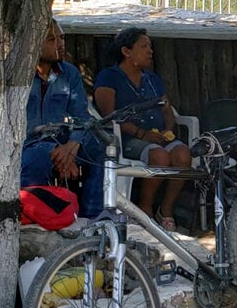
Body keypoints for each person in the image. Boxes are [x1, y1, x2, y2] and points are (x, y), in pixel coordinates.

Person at [94, 27, 192, 230]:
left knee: (183, 155)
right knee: (160, 157)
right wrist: (142, 134)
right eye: (144, 46)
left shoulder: (152, 79)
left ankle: (165, 209)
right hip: (127, 139)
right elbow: (108, 116)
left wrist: (168, 129)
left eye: (150, 46)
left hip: (156, 136)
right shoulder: (109, 77)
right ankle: (145, 209)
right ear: (126, 51)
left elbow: (167, 110)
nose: (150, 51)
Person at [22, 19, 105, 219]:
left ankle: (92, 220)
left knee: (100, 146)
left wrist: (73, 145)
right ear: (33, 43)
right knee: (39, 158)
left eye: (62, 37)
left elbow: (82, 117)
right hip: (28, 144)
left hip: (61, 141)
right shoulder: (19, 74)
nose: (60, 43)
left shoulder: (69, 73)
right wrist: (59, 152)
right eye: (52, 39)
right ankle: (31, 219)